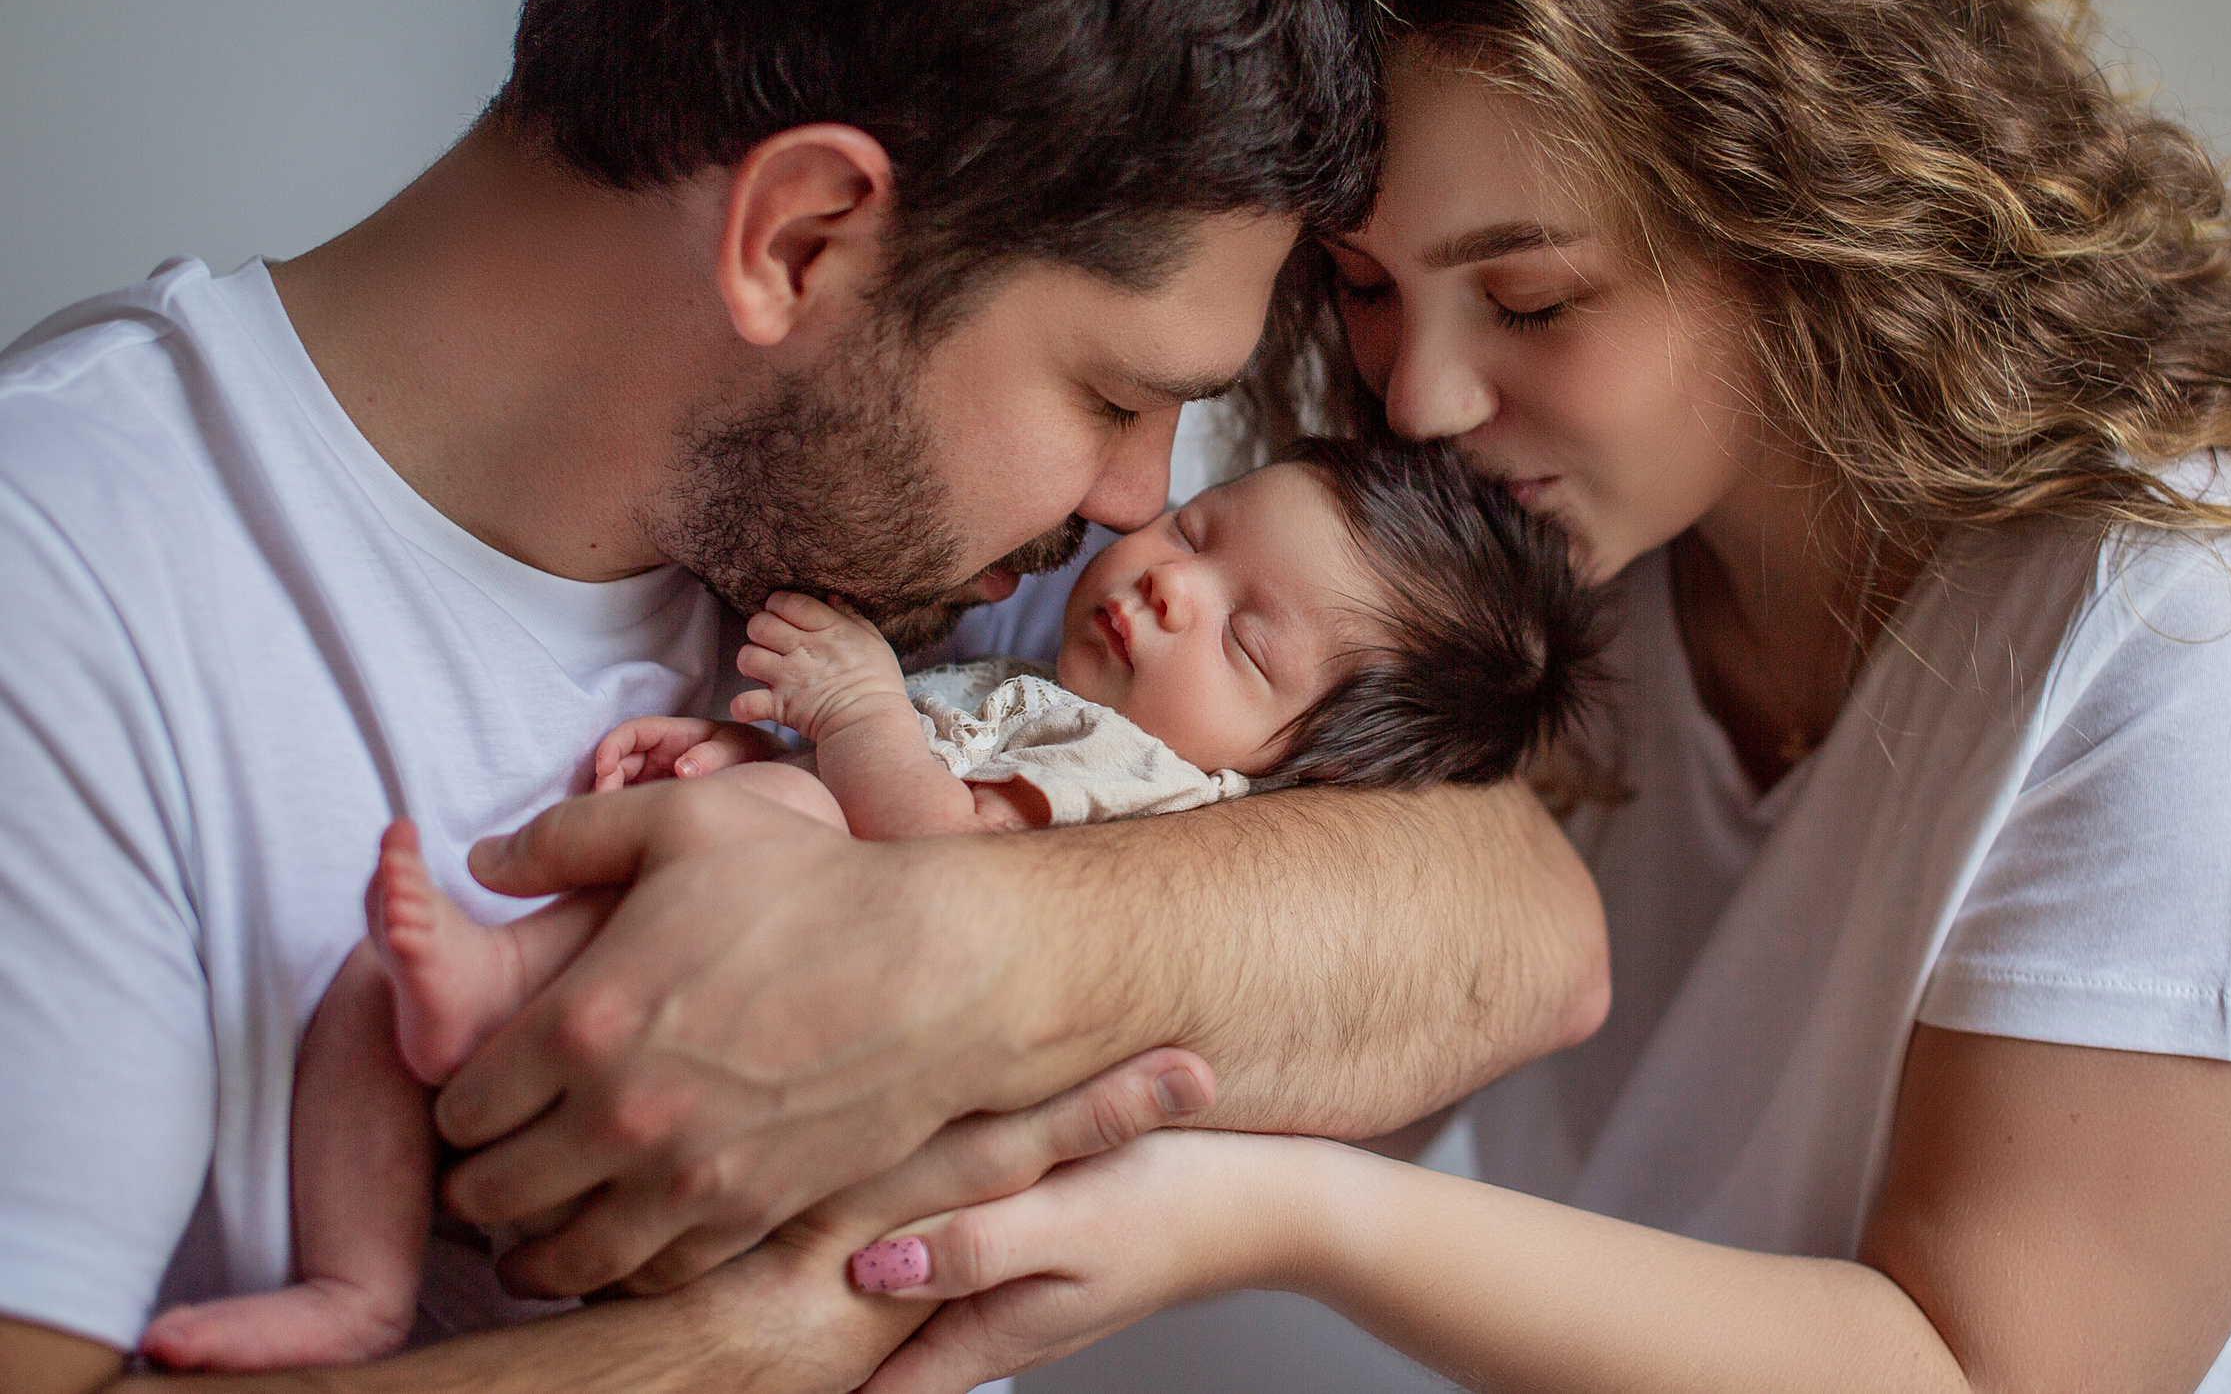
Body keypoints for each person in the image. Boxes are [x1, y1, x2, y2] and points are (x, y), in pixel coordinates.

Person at [821, 0, 2231, 1389]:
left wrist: (1269, 1215)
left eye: (1531, 296)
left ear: (1804, 223)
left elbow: (1987, 1372)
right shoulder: (1549, 580)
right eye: (1359, 289)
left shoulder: (2222, 616)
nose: (1416, 397)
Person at [0, 0, 1611, 1391]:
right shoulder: (69, 598)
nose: (1140, 507)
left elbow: (1523, 924)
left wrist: (972, 957)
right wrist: (776, 1339)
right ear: (806, 236)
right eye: (1114, 395)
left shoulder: (896, 553)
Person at [137, 439, 1604, 1372]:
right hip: (682, 1035)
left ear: (1301, 770)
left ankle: (494, 973)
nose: (1169, 585)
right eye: (1206, 533)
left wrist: (838, 718)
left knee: (756, 830)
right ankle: (353, 1281)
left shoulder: (1138, 784)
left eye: (1248, 638)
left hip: (772, 1080)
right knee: (354, 999)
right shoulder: (1027, 682)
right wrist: (735, 752)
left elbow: (927, 857)